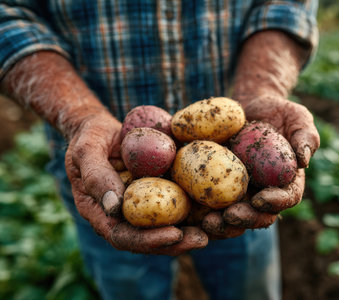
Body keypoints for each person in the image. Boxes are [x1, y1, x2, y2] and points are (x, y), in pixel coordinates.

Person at [0, 1, 320, 299]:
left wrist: (261, 87)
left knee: (249, 282)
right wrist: (81, 117)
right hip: (101, 168)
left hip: (246, 183)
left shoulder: (217, 145)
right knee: (129, 283)